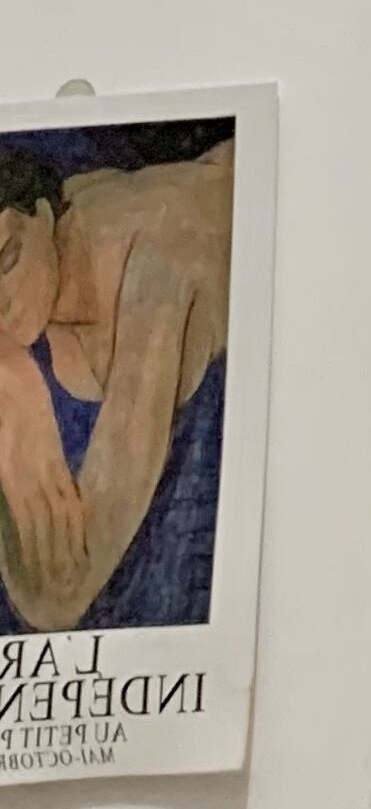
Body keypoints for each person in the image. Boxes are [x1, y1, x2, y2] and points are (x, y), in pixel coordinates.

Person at [0, 135, 233, 632]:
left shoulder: (155, 268)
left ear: (43, 214)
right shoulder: (68, 228)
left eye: (5, 260)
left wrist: (17, 396)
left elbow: (62, 597)